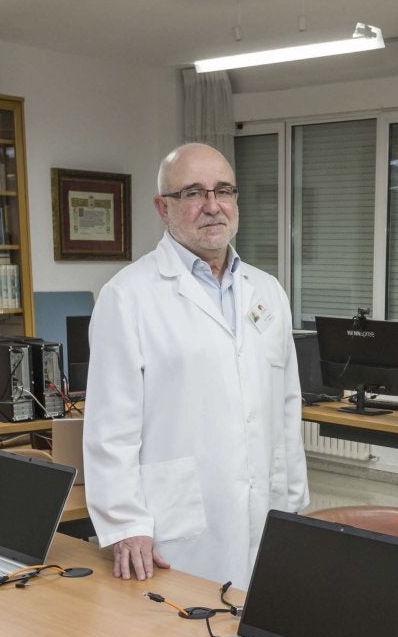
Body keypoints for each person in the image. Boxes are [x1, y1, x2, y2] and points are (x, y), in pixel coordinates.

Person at [82, 144, 308, 589]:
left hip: (265, 511)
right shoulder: (128, 296)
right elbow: (111, 425)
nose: (212, 206)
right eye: (193, 193)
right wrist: (125, 523)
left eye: (223, 190)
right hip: (174, 524)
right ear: (163, 207)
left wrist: (293, 500)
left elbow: (286, 407)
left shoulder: (267, 291)